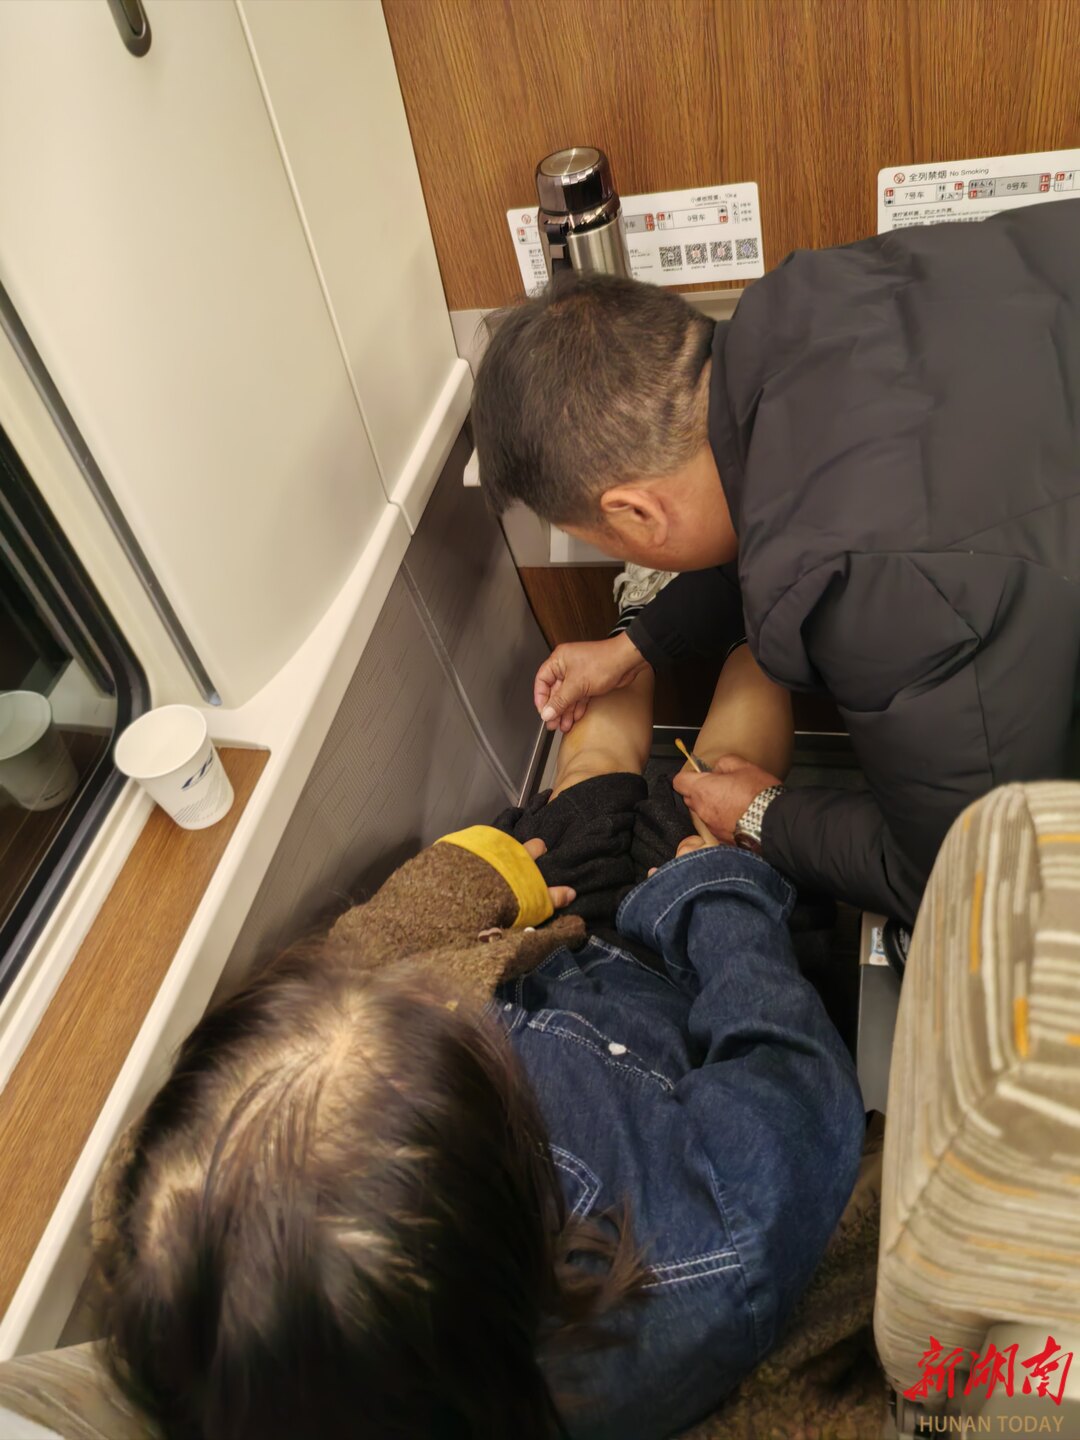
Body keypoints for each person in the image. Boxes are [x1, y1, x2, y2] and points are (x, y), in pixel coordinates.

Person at [91, 648, 864, 1440]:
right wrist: (720, 892)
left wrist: (464, 892)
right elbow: (786, 1069)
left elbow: (352, 965)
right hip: (683, 992)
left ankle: (644, 628)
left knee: (589, 776)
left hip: (544, 949)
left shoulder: (180, 1207)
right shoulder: (703, 1252)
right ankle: (761, 634)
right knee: (716, 781)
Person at [471, 199, 1080, 924]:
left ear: (637, 513)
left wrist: (764, 814)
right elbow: (780, 516)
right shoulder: (804, 298)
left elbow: (970, 873)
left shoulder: (886, 594)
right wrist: (636, 646)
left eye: (608, 541)